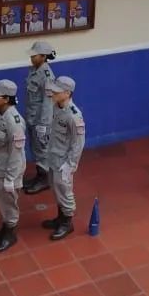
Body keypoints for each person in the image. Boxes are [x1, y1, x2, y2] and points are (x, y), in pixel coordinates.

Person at [40, 76, 85, 240]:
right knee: (56, 188)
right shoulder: (57, 107)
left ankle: (67, 223)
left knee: (65, 191)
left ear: (67, 93)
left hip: (64, 162)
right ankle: (60, 218)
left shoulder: (74, 116)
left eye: (57, 91)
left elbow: (78, 144)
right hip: (53, 157)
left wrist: (70, 165)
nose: (52, 92)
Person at [0, 80, 27, 253]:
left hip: (9, 170)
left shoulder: (14, 121)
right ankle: (4, 228)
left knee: (8, 203)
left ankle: (10, 233)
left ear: (6, 99)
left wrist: (11, 178)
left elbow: (16, 154)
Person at [24, 40, 56, 195]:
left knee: (42, 149)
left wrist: (43, 124)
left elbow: (48, 102)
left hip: (40, 120)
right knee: (36, 149)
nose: (31, 57)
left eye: (34, 55)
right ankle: (39, 175)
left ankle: (44, 179)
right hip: (32, 117)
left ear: (43, 56)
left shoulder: (47, 75)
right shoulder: (33, 70)